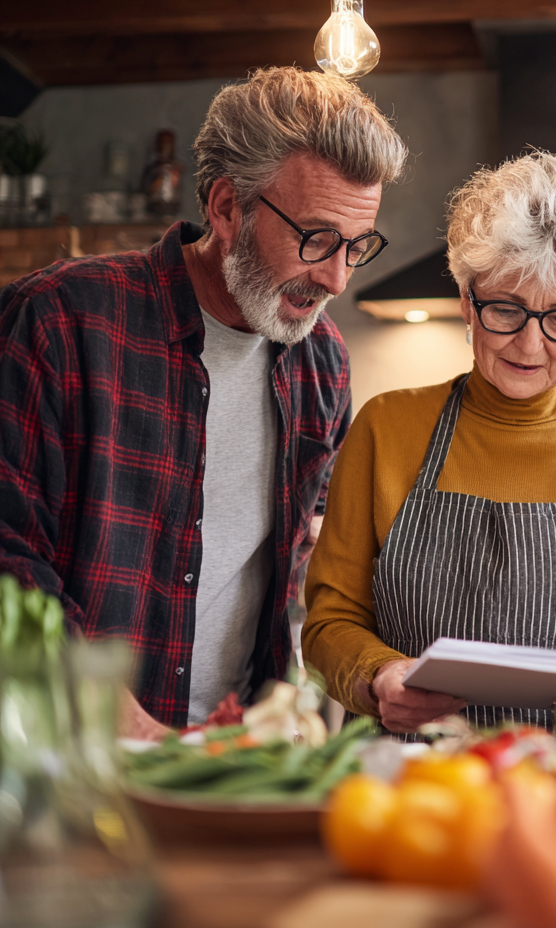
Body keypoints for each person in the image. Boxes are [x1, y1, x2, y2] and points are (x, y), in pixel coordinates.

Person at [0, 67, 407, 736]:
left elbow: (307, 568)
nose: (335, 277)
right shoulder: (59, 322)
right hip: (67, 761)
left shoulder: (322, 361)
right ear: (225, 209)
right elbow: (8, 554)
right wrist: (109, 714)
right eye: (316, 239)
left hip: (231, 762)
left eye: (355, 247)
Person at [303, 152, 556, 737]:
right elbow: (329, 623)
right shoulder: (384, 428)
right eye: (505, 309)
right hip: (403, 779)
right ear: (466, 301)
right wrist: (378, 677)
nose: (529, 346)